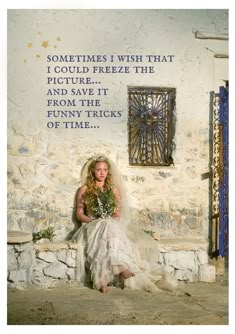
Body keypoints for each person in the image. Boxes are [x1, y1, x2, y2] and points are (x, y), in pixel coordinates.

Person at [72, 155, 178, 293]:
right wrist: (95, 221)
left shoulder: (113, 190)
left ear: (108, 171)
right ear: (93, 171)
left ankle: (103, 280)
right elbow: (79, 214)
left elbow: (117, 214)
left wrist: (108, 219)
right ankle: (120, 269)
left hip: (110, 224)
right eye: (98, 169)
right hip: (92, 225)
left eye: (105, 169)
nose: (102, 173)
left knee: (109, 229)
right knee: (105, 229)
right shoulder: (85, 189)